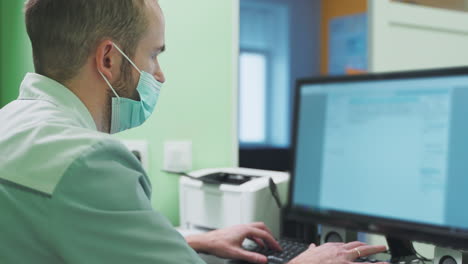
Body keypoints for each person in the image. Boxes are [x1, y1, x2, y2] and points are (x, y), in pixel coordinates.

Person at [0, 0, 388, 263]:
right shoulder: (86, 161)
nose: (159, 74)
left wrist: (190, 241)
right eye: (153, 55)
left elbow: (63, 232)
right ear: (108, 59)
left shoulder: (13, 125)